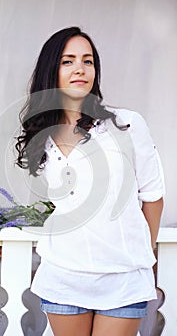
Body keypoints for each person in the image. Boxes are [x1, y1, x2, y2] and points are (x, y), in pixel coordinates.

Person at [15, 27, 164, 336]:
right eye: (68, 61)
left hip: (123, 279)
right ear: (51, 71)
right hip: (63, 275)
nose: (80, 69)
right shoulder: (42, 138)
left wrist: (142, 256)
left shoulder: (126, 124)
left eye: (88, 61)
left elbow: (153, 196)